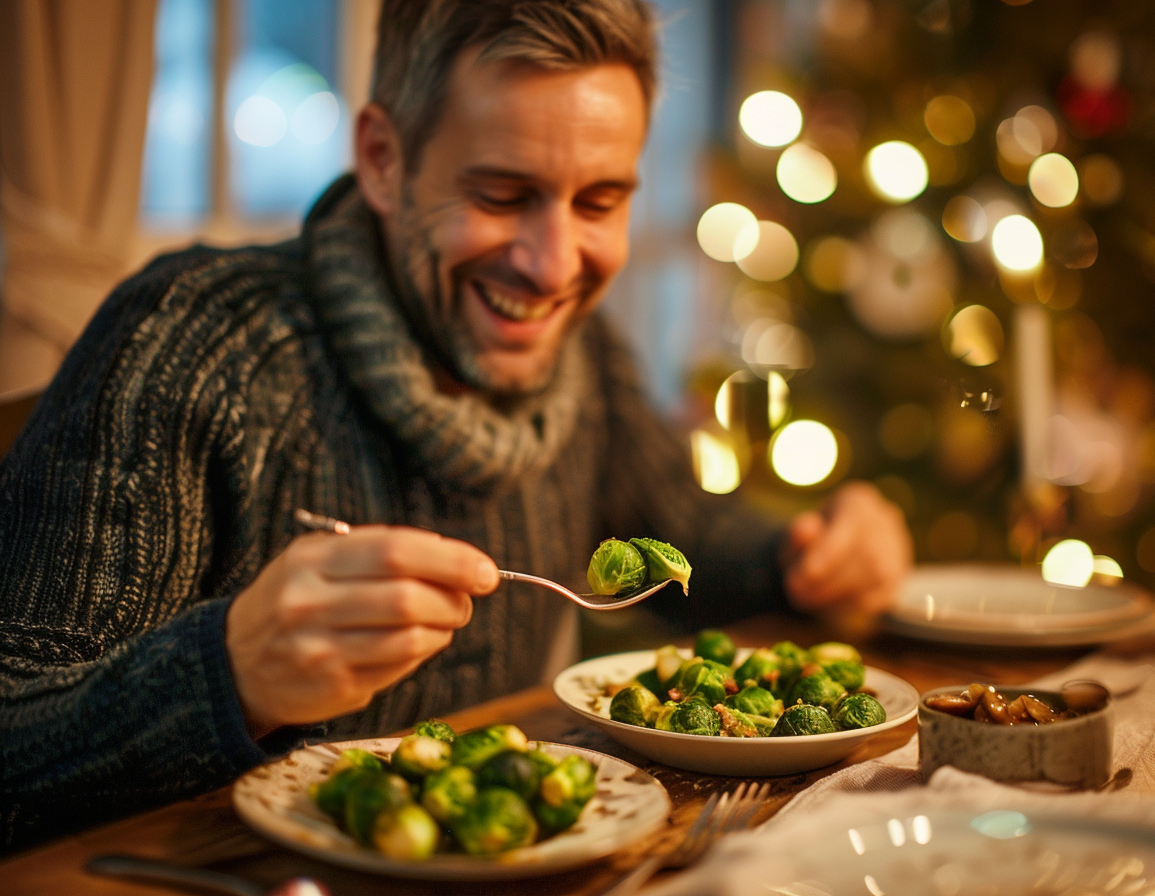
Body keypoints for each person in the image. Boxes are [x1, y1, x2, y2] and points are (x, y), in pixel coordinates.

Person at [0, 0, 910, 850]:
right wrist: (223, 674)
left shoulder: (583, 362)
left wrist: (811, 554)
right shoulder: (189, 340)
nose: (553, 266)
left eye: (599, 202)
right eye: (503, 195)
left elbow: (688, 541)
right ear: (384, 159)